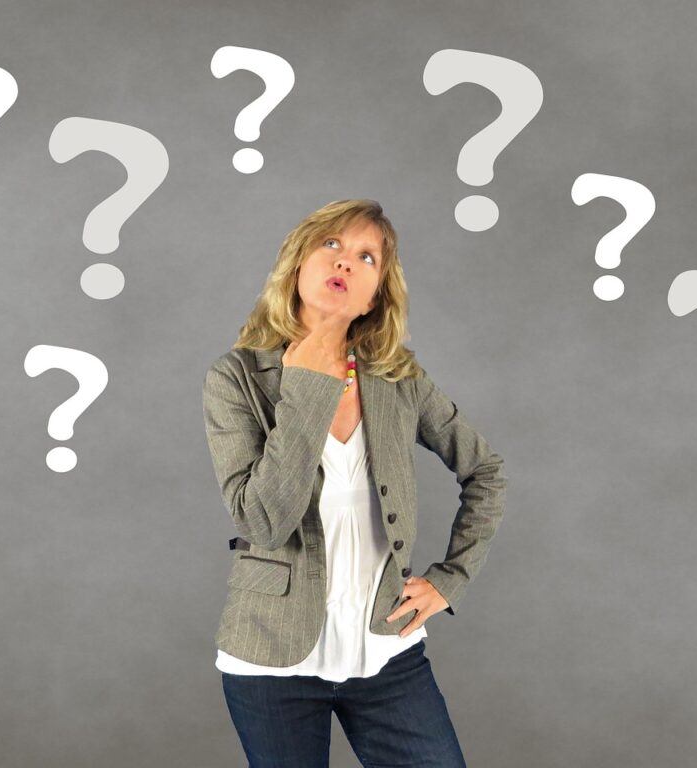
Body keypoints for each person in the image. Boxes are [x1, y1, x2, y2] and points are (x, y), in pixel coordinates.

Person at [202, 199, 508, 766]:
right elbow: (264, 520)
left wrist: (452, 578)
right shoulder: (236, 378)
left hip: (387, 652)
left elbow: (485, 472)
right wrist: (309, 387)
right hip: (272, 660)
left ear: (376, 295)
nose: (345, 262)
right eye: (331, 245)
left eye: (367, 256)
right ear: (298, 265)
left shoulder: (400, 381)